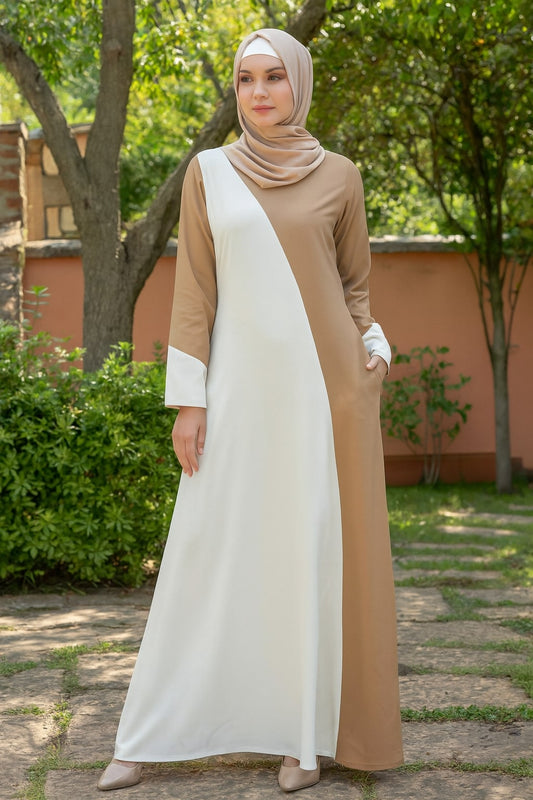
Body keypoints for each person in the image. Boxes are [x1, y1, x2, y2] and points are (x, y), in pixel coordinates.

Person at [98, 27, 403, 793]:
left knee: (306, 555)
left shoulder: (339, 175)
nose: (259, 93)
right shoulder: (208, 172)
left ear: (298, 83)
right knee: (204, 548)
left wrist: (373, 344)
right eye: (244, 80)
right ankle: (146, 736)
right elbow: (195, 293)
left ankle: (301, 740)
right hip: (235, 392)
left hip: (324, 394)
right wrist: (188, 403)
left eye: (273, 77)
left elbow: (354, 286)